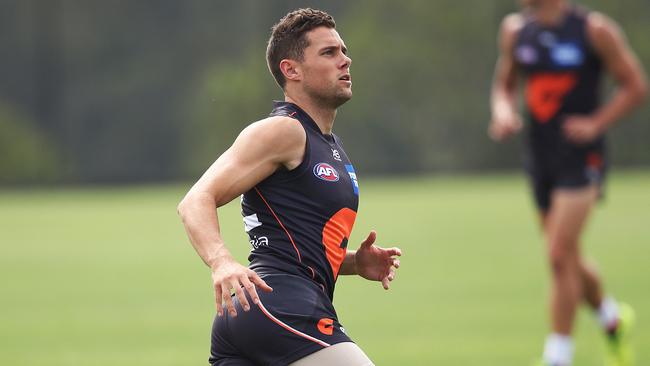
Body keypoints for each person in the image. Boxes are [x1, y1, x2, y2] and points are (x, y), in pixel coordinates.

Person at [178, 8, 401, 366]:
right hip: (280, 306)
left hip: (261, 312)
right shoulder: (283, 131)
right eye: (329, 53)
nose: (345, 60)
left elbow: (293, 244)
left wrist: (354, 263)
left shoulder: (328, 143)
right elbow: (194, 201)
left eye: (343, 51)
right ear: (291, 69)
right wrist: (221, 263)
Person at [489, 0, 647, 365]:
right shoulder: (515, 30)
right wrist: (504, 112)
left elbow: (635, 85)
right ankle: (612, 319)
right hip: (540, 159)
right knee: (568, 257)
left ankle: (558, 356)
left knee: (559, 254)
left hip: (581, 157)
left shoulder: (594, 30)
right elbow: (505, 86)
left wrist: (597, 123)